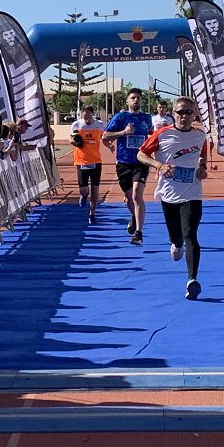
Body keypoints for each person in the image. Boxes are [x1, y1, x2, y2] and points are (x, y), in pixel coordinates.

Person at [137, 97, 209, 299]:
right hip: (168, 193)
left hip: (192, 193)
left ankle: (192, 280)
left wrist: (202, 168)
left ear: (194, 114)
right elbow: (141, 155)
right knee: (177, 237)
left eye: (188, 112)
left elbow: (202, 156)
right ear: (173, 114)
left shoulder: (200, 136)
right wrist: (159, 166)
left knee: (191, 235)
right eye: (180, 112)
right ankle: (175, 245)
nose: (184, 116)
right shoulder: (162, 134)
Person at [103, 88, 155, 246]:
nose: (136, 100)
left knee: (137, 196)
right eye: (133, 98)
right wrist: (123, 133)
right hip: (124, 163)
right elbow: (105, 136)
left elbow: (151, 135)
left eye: (138, 98)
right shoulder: (121, 117)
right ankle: (134, 216)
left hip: (141, 162)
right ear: (127, 101)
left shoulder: (147, 118)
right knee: (128, 199)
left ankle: (139, 234)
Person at [70, 105, 106, 224]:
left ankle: (92, 214)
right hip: (81, 161)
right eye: (83, 116)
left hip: (96, 161)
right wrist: (75, 142)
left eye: (87, 116)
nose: (86, 119)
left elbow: (104, 138)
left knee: (95, 189)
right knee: (84, 190)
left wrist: (109, 145)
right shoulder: (76, 125)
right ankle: (84, 196)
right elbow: (70, 139)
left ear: (92, 114)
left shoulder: (100, 124)